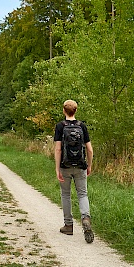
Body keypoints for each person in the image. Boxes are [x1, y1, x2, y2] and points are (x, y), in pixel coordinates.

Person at [54, 99, 94, 243]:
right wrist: (89, 165)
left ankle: (68, 225)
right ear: (75, 111)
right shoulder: (82, 126)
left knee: (65, 194)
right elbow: (89, 149)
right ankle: (85, 218)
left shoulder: (60, 126)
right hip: (80, 165)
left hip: (65, 166)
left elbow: (58, 149)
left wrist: (57, 168)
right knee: (82, 194)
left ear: (64, 111)